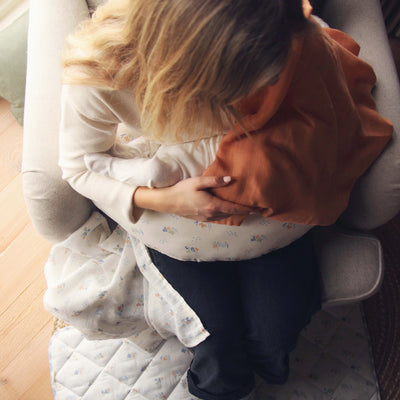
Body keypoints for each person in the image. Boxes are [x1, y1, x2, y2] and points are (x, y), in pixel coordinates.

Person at [58, 0, 392, 399]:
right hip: (177, 223)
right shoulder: (103, 77)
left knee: (278, 329)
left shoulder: (286, 33)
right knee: (216, 342)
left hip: (275, 222)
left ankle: (267, 369)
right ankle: (222, 390)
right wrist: (167, 201)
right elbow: (77, 167)